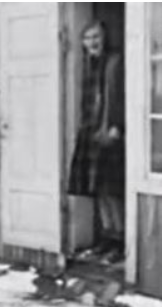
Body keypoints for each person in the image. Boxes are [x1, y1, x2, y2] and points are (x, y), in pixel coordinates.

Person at [68, 21, 125, 263]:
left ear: (104, 38)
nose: (93, 42)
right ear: (83, 42)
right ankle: (106, 237)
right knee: (98, 190)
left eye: (97, 37)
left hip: (109, 131)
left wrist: (117, 125)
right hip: (91, 132)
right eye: (88, 38)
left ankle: (119, 240)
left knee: (112, 190)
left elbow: (122, 97)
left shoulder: (115, 62)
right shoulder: (87, 65)